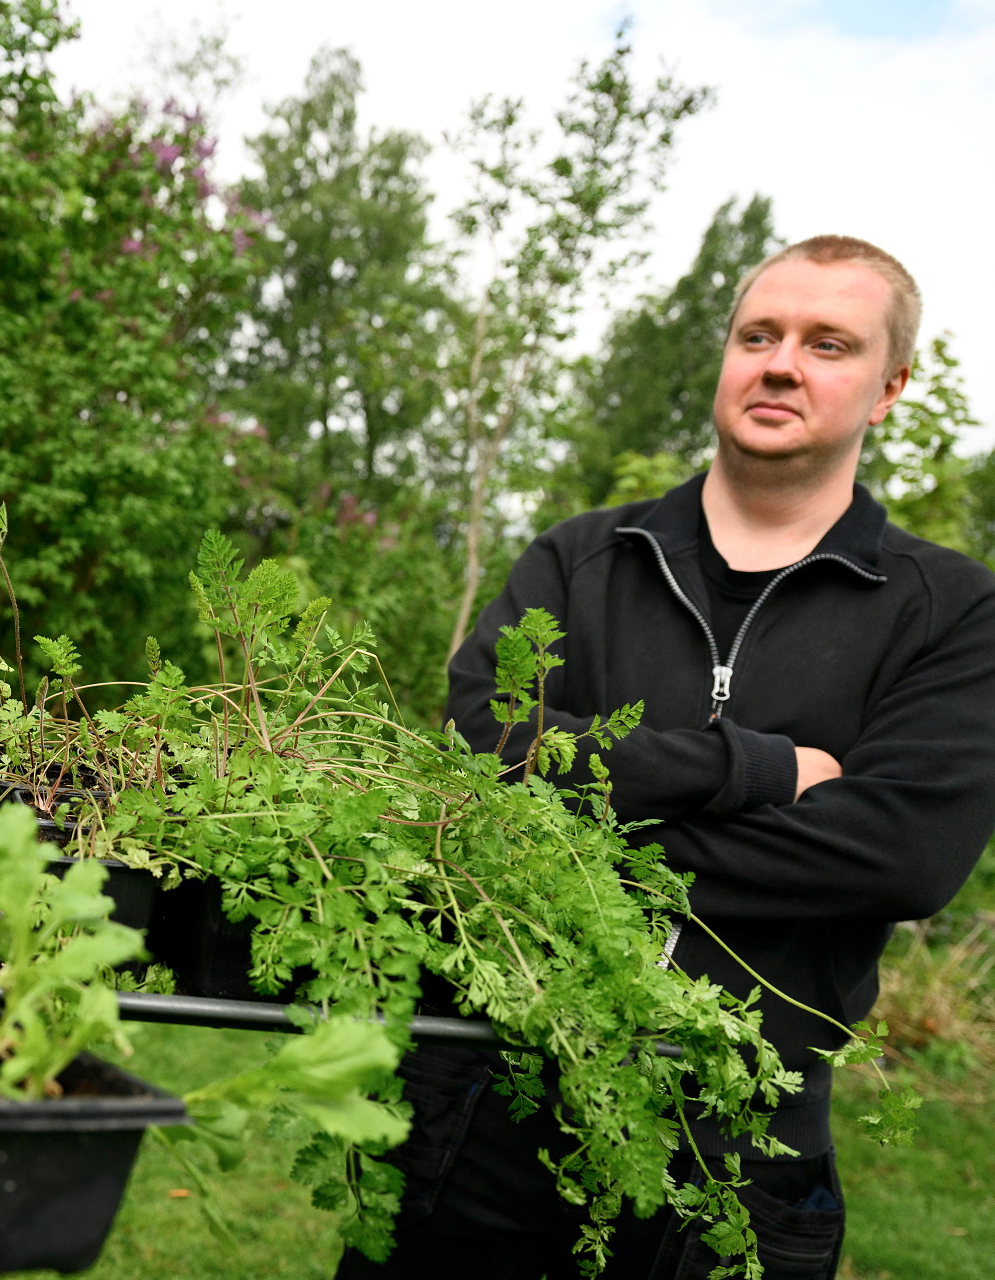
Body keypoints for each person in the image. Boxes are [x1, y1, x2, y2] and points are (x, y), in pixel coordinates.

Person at [341, 236, 995, 1278]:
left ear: (890, 386)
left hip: (745, 1143)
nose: (781, 362)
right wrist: (758, 772)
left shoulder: (949, 610)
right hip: (489, 1108)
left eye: (829, 344)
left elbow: (903, 852)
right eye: (759, 334)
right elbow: (480, 753)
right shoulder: (581, 558)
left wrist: (566, 830)